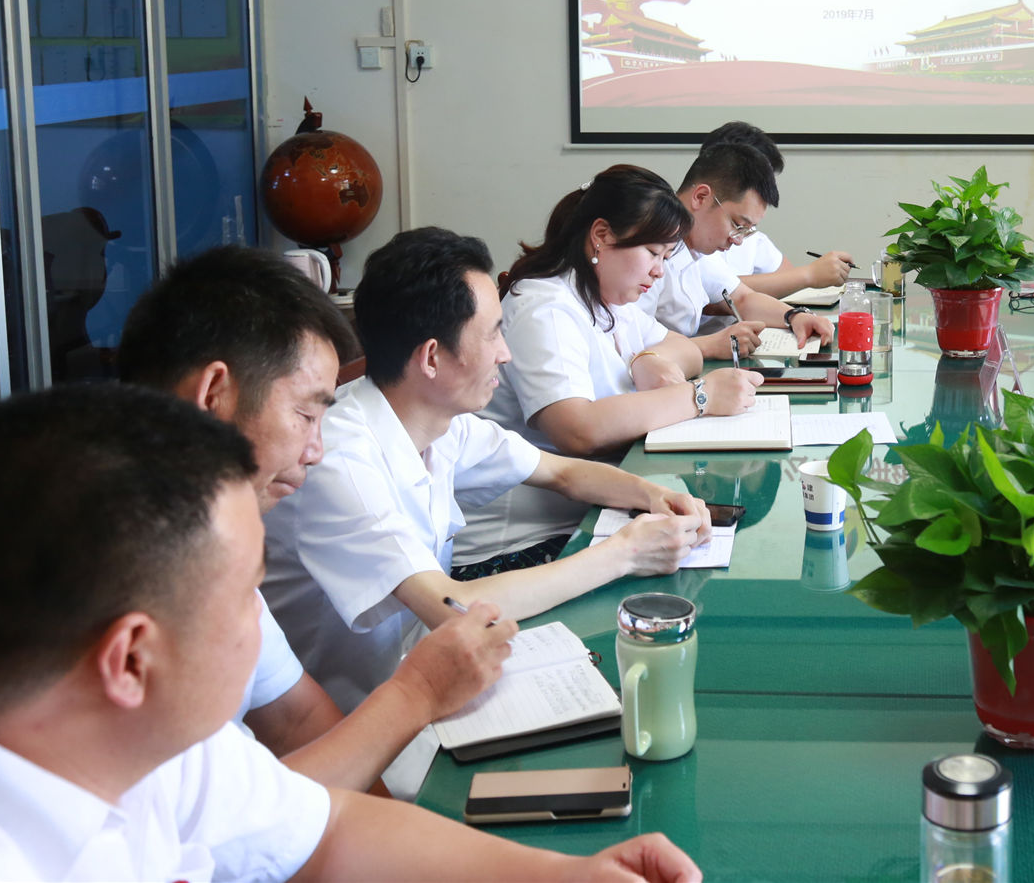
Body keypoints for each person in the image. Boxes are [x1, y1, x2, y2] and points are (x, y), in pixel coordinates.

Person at [0, 384, 701, 883]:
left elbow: (323, 833)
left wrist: (567, 874)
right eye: (245, 593)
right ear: (132, 657)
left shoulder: (123, 724)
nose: (260, 618)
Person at [262, 227, 711, 732]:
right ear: (432, 357)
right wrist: (625, 553)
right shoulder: (341, 459)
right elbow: (453, 607)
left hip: (423, 680)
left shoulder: (437, 419)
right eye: (493, 333)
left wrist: (656, 495)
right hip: (352, 725)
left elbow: (561, 472)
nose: (506, 353)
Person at [118, 246, 516, 794]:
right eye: (305, 414)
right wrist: (418, 692)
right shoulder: (124, 577)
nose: (315, 451)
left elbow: (297, 720)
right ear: (214, 395)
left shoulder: (211, 544)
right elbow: (241, 821)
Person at [452, 166, 763, 576]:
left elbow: (686, 350)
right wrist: (698, 397)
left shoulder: (607, 299)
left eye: (666, 257)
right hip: (518, 545)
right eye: (653, 253)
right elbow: (577, 429)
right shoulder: (545, 307)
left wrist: (645, 358)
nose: (659, 271)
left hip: (587, 515)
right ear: (601, 235)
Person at [642, 142, 834, 359]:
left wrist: (795, 316)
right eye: (737, 224)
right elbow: (631, 345)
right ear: (701, 197)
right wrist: (709, 345)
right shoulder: (646, 249)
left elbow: (742, 298)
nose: (738, 240)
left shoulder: (696, 248)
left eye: (746, 230)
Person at [699, 121, 855, 300]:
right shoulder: (689, 236)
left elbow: (787, 277)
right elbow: (715, 292)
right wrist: (809, 274)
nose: (738, 239)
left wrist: (813, 275)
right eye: (761, 182)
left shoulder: (750, 235)